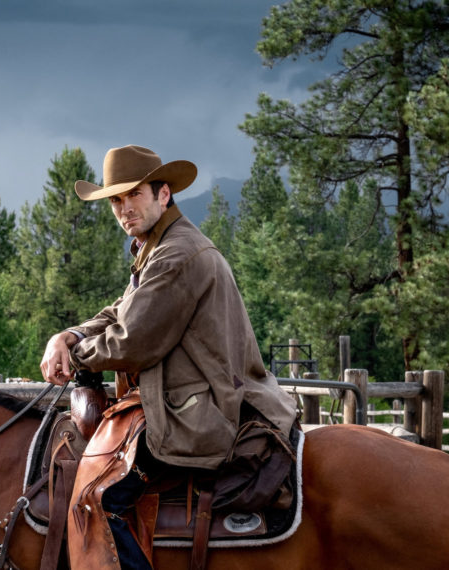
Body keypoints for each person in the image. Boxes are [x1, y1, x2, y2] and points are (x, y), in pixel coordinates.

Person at [39, 145, 298, 569]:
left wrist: (76, 357)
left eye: (134, 195)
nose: (124, 209)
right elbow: (121, 312)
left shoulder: (177, 254)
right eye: (116, 200)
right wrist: (67, 336)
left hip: (201, 410)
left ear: (163, 194)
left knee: (99, 499)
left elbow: (131, 341)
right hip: (190, 398)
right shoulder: (157, 247)